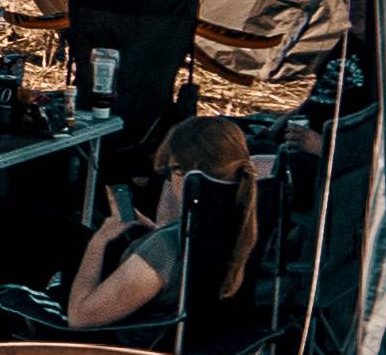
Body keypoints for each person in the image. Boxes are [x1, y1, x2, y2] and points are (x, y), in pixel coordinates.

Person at [61, 115, 260, 339]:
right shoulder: (245, 228)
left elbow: (79, 318)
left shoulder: (164, 248)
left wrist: (100, 240)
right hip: (198, 344)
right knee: (73, 234)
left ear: (187, 176)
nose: (169, 181)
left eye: (172, 171)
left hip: (124, 353)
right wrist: (156, 230)